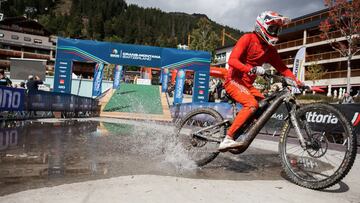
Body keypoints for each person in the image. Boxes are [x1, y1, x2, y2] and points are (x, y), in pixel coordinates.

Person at [219, 11, 303, 152]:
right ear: (261, 26)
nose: (275, 32)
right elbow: (232, 60)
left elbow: (282, 68)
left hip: (247, 85)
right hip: (233, 80)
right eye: (272, 29)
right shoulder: (248, 38)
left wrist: (298, 82)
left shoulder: (270, 50)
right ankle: (228, 138)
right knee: (252, 104)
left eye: (277, 29)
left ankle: (239, 126)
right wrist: (250, 69)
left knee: (263, 105)